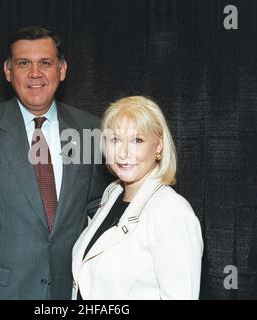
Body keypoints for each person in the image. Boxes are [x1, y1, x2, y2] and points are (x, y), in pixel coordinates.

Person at [0, 26, 110, 299]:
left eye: (45, 63)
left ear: (62, 69)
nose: (35, 73)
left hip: (66, 292)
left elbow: (95, 208)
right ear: (8, 71)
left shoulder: (87, 129)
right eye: (24, 63)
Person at [72, 96, 203, 300]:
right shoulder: (112, 194)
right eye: (115, 139)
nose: (123, 153)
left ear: (158, 145)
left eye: (137, 140)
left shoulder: (172, 212)